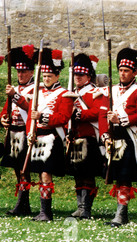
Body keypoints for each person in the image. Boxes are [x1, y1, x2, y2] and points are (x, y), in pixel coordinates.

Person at [102, 47, 137, 227]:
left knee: (124, 177)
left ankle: (121, 214)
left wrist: (121, 119)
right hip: (113, 137)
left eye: (126, 71)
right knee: (115, 176)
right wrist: (105, 135)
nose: (122, 74)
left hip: (129, 137)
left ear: (135, 72)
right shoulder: (112, 90)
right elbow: (103, 114)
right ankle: (119, 212)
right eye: (120, 71)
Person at [26, 47, 75, 221]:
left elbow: (63, 118)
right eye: (44, 76)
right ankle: (43, 210)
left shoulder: (65, 94)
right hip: (37, 136)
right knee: (40, 173)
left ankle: (46, 211)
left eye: (49, 76)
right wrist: (29, 133)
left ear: (57, 76)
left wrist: (42, 116)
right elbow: (30, 118)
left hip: (52, 138)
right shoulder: (37, 93)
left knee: (46, 173)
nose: (46, 79)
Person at [66, 53, 108, 219]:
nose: (77, 78)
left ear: (89, 76)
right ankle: (80, 206)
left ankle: (86, 208)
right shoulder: (71, 92)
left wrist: (78, 114)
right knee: (78, 175)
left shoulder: (95, 93)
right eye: (76, 75)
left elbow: (97, 113)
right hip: (75, 137)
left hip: (89, 138)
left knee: (88, 174)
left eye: (81, 75)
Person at [1, 45, 36, 216]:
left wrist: (15, 95)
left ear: (31, 72)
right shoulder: (16, 88)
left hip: (25, 131)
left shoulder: (36, 88)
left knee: (24, 169)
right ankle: (23, 203)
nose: (20, 74)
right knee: (17, 169)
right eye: (18, 71)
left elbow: (30, 107)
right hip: (13, 132)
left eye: (24, 72)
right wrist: (3, 119)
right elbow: (7, 109)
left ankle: (22, 203)